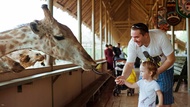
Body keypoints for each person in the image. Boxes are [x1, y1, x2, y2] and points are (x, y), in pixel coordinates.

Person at [115, 23, 175, 107]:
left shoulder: (160, 37)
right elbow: (129, 64)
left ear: (146, 35)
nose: (134, 40)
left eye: (137, 37)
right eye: (132, 37)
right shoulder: (132, 43)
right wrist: (123, 77)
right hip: (146, 70)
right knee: (145, 96)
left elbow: (171, 59)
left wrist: (157, 72)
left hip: (165, 68)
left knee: (165, 99)